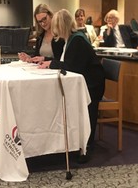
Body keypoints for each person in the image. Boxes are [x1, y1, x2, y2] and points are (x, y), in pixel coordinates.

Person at [38, 9, 105, 159]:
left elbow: (73, 66)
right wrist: (52, 62)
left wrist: (51, 64)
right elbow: (67, 62)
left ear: (61, 26)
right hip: (85, 82)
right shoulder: (69, 39)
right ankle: (73, 142)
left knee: (84, 109)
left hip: (92, 85)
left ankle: (86, 146)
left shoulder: (78, 40)